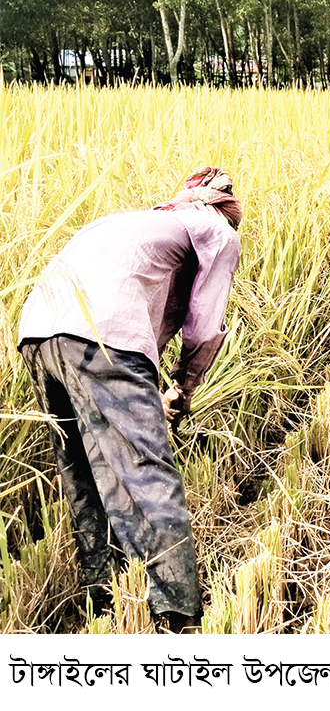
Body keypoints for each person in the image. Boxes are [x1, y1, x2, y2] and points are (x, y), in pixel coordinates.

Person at [18, 167, 243, 632]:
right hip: (102, 333)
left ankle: (104, 601)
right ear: (219, 207)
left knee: (82, 469)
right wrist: (183, 387)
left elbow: (135, 311)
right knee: (145, 470)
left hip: (37, 330)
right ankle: (178, 614)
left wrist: (150, 386)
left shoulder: (136, 223)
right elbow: (204, 327)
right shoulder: (216, 229)